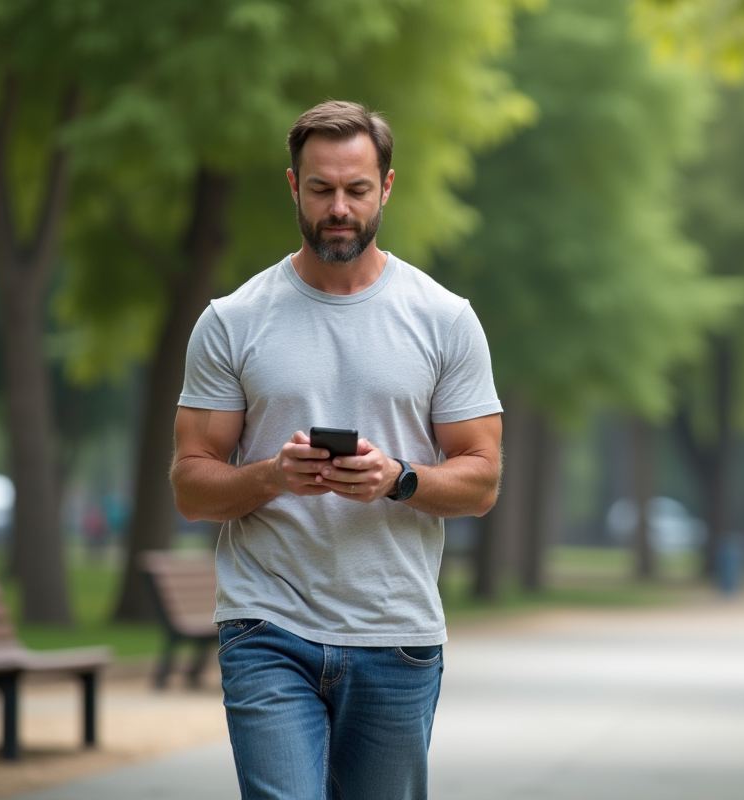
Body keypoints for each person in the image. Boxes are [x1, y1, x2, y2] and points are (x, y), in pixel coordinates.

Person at [170, 100, 503, 800]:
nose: (339, 207)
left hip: (396, 634)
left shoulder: (445, 320)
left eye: (356, 189)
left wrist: (397, 479)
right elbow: (192, 486)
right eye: (321, 189)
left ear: (387, 187)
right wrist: (272, 475)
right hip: (268, 626)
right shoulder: (233, 321)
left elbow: (482, 478)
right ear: (294, 186)